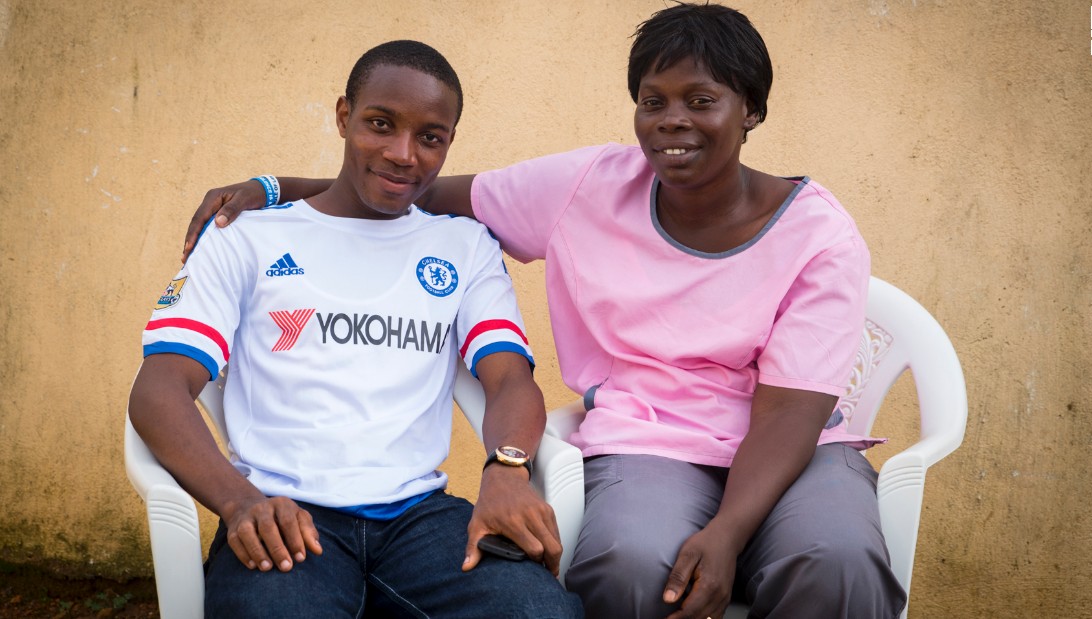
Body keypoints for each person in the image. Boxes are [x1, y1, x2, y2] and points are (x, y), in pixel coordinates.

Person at [181, 5, 907, 619]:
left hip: (791, 443)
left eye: (701, 100)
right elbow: (416, 184)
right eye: (653, 101)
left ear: (750, 109)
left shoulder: (819, 232)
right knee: (627, 562)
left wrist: (724, 531)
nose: (672, 122)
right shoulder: (589, 184)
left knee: (835, 556)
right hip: (649, 439)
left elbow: (788, 413)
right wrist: (276, 190)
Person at [130, 40, 583, 618]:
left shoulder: (463, 245)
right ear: (344, 116)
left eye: (430, 137)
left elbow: (509, 381)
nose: (403, 153)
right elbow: (159, 388)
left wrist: (508, 470)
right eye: (379, 124)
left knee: (539, 612)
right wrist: (239, 502)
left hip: (422, 520)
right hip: (285, 513)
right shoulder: (245, 234)